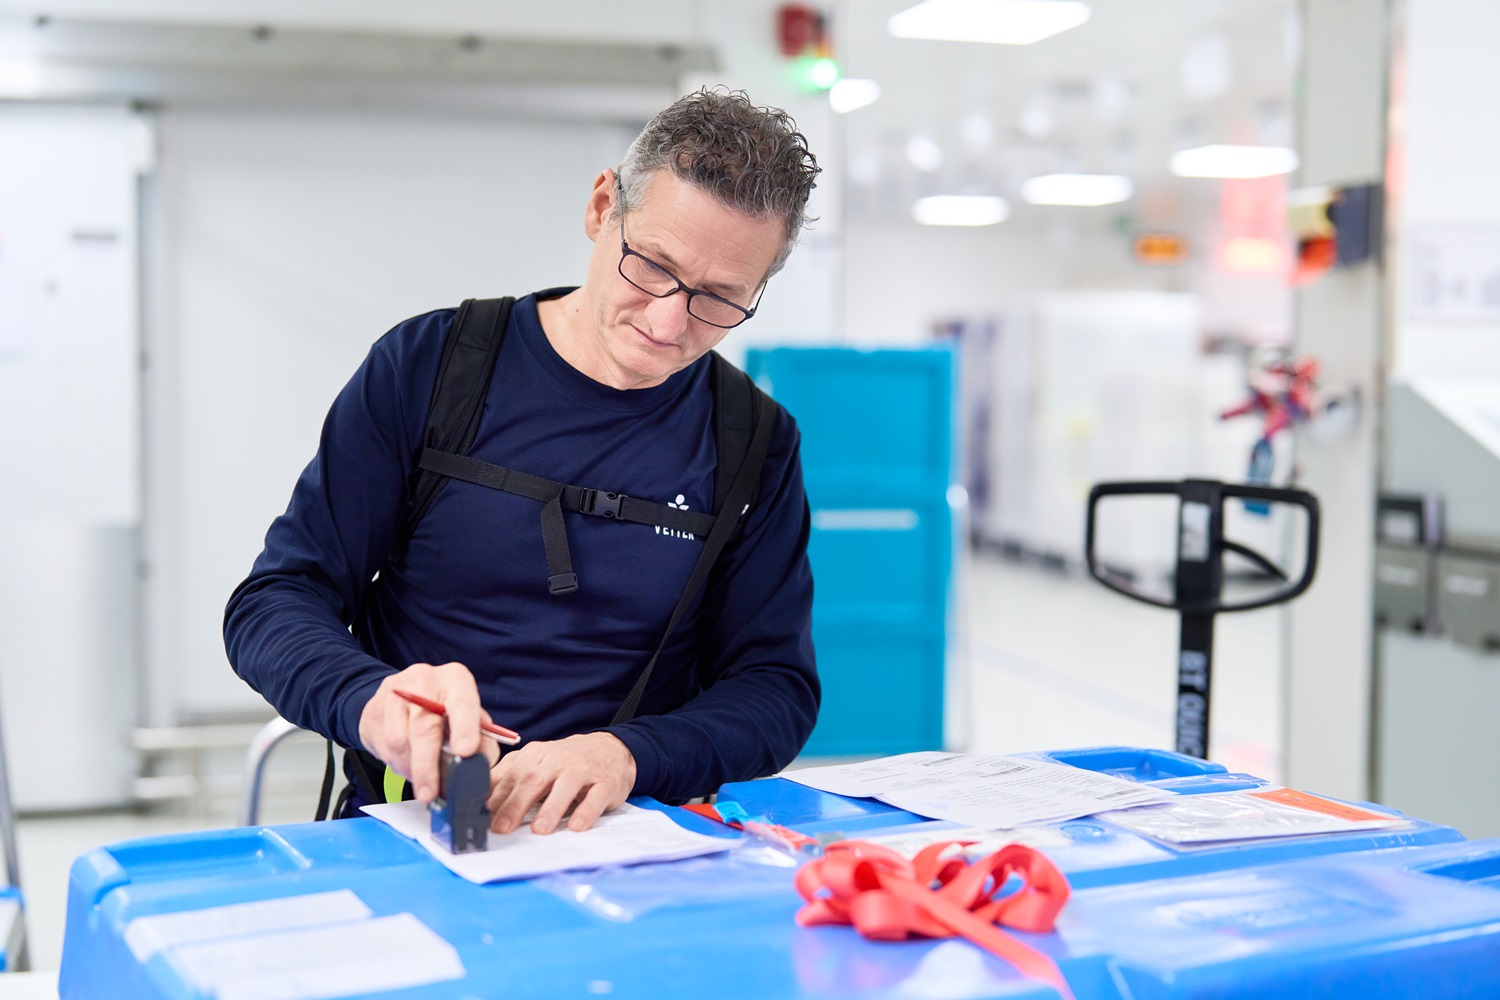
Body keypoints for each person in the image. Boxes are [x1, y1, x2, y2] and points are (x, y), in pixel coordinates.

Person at [224, 87, 821, 836]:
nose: (669, 322)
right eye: (653, 266)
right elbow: (272, 603)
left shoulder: (753, 442)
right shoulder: (432, 368)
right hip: (411, 831)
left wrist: (626, 755)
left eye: (718, 298)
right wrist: (373, 702)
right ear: (604, 207)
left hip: (636, 839)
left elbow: (775, 689)